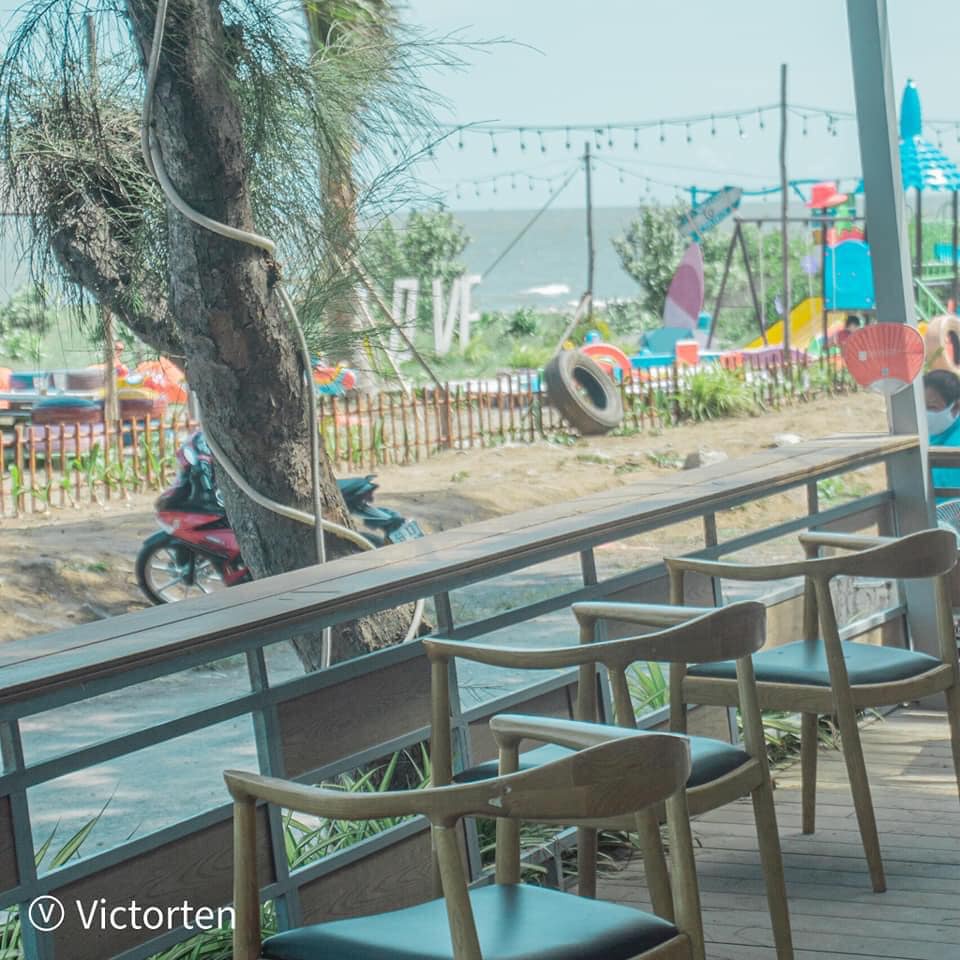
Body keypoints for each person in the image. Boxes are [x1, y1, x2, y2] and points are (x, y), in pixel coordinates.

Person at [924, 369, 960, 500]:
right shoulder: (926, 435)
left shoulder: (956, 444)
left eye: (932, 407)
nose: (925, 413)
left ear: (956, 407)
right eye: (921, 407)